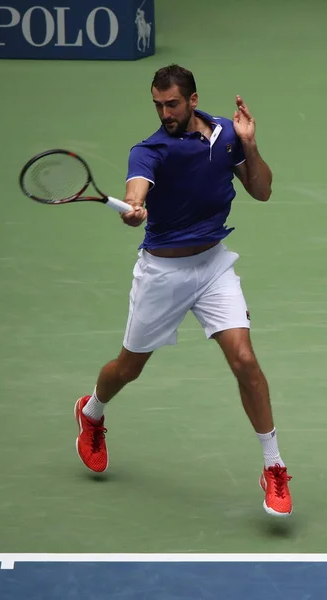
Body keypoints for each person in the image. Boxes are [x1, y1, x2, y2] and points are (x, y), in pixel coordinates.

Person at [74, 64, 292, 518]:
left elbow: (263, 191)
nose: (164, 112)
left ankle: (274, 466)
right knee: (127, 369)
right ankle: (92, 412)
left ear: (193, 100)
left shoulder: (226, 135)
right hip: (163, 274)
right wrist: (135, 206)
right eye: (157, 104)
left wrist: (249, 145)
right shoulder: (149, 150)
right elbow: (138, 188)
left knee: (245, 360)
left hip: (213, 266)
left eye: (172, 103)